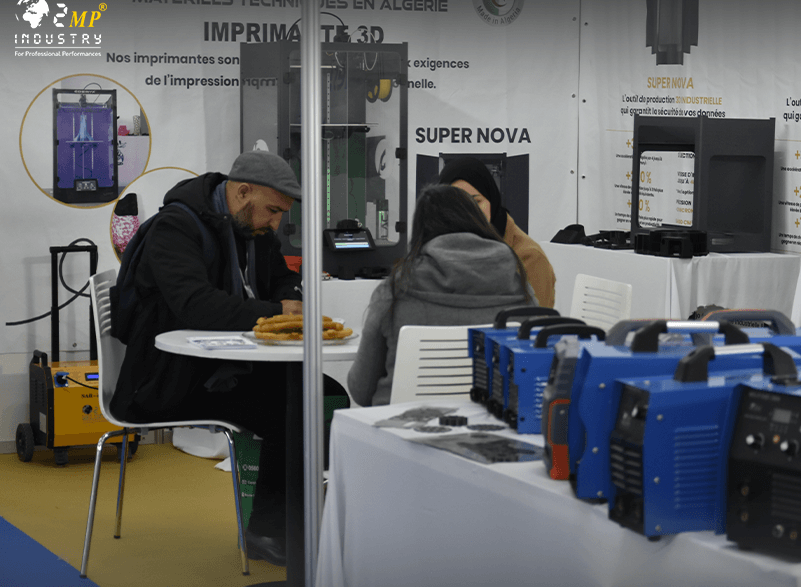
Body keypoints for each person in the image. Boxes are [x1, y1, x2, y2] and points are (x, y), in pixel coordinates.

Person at [111, 150, 320, 567]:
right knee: (293, 409)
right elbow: (197, 306)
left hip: (218, 370)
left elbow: (285, 280)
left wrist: (290, 299)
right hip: (164, 381)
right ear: (242, 193)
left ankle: (291, 523)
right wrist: (277, 312)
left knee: (317, 393)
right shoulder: (175, 229)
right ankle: (270, 531)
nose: (276, 224)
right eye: (273, 211)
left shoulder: (252, 231)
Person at [348, 184, 537, 406]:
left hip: (401, 422)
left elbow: (361, 390)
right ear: (477, 221)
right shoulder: (519, 285)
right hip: (493, 422)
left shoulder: (395, 291)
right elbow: (534, 375)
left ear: (420, 230)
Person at [437, 157, 557, 309]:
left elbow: (536, 320)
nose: (468, 212)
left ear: (491, 200)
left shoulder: (529, 258)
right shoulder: (434, 251)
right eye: (456, 203)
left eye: (476, 201)